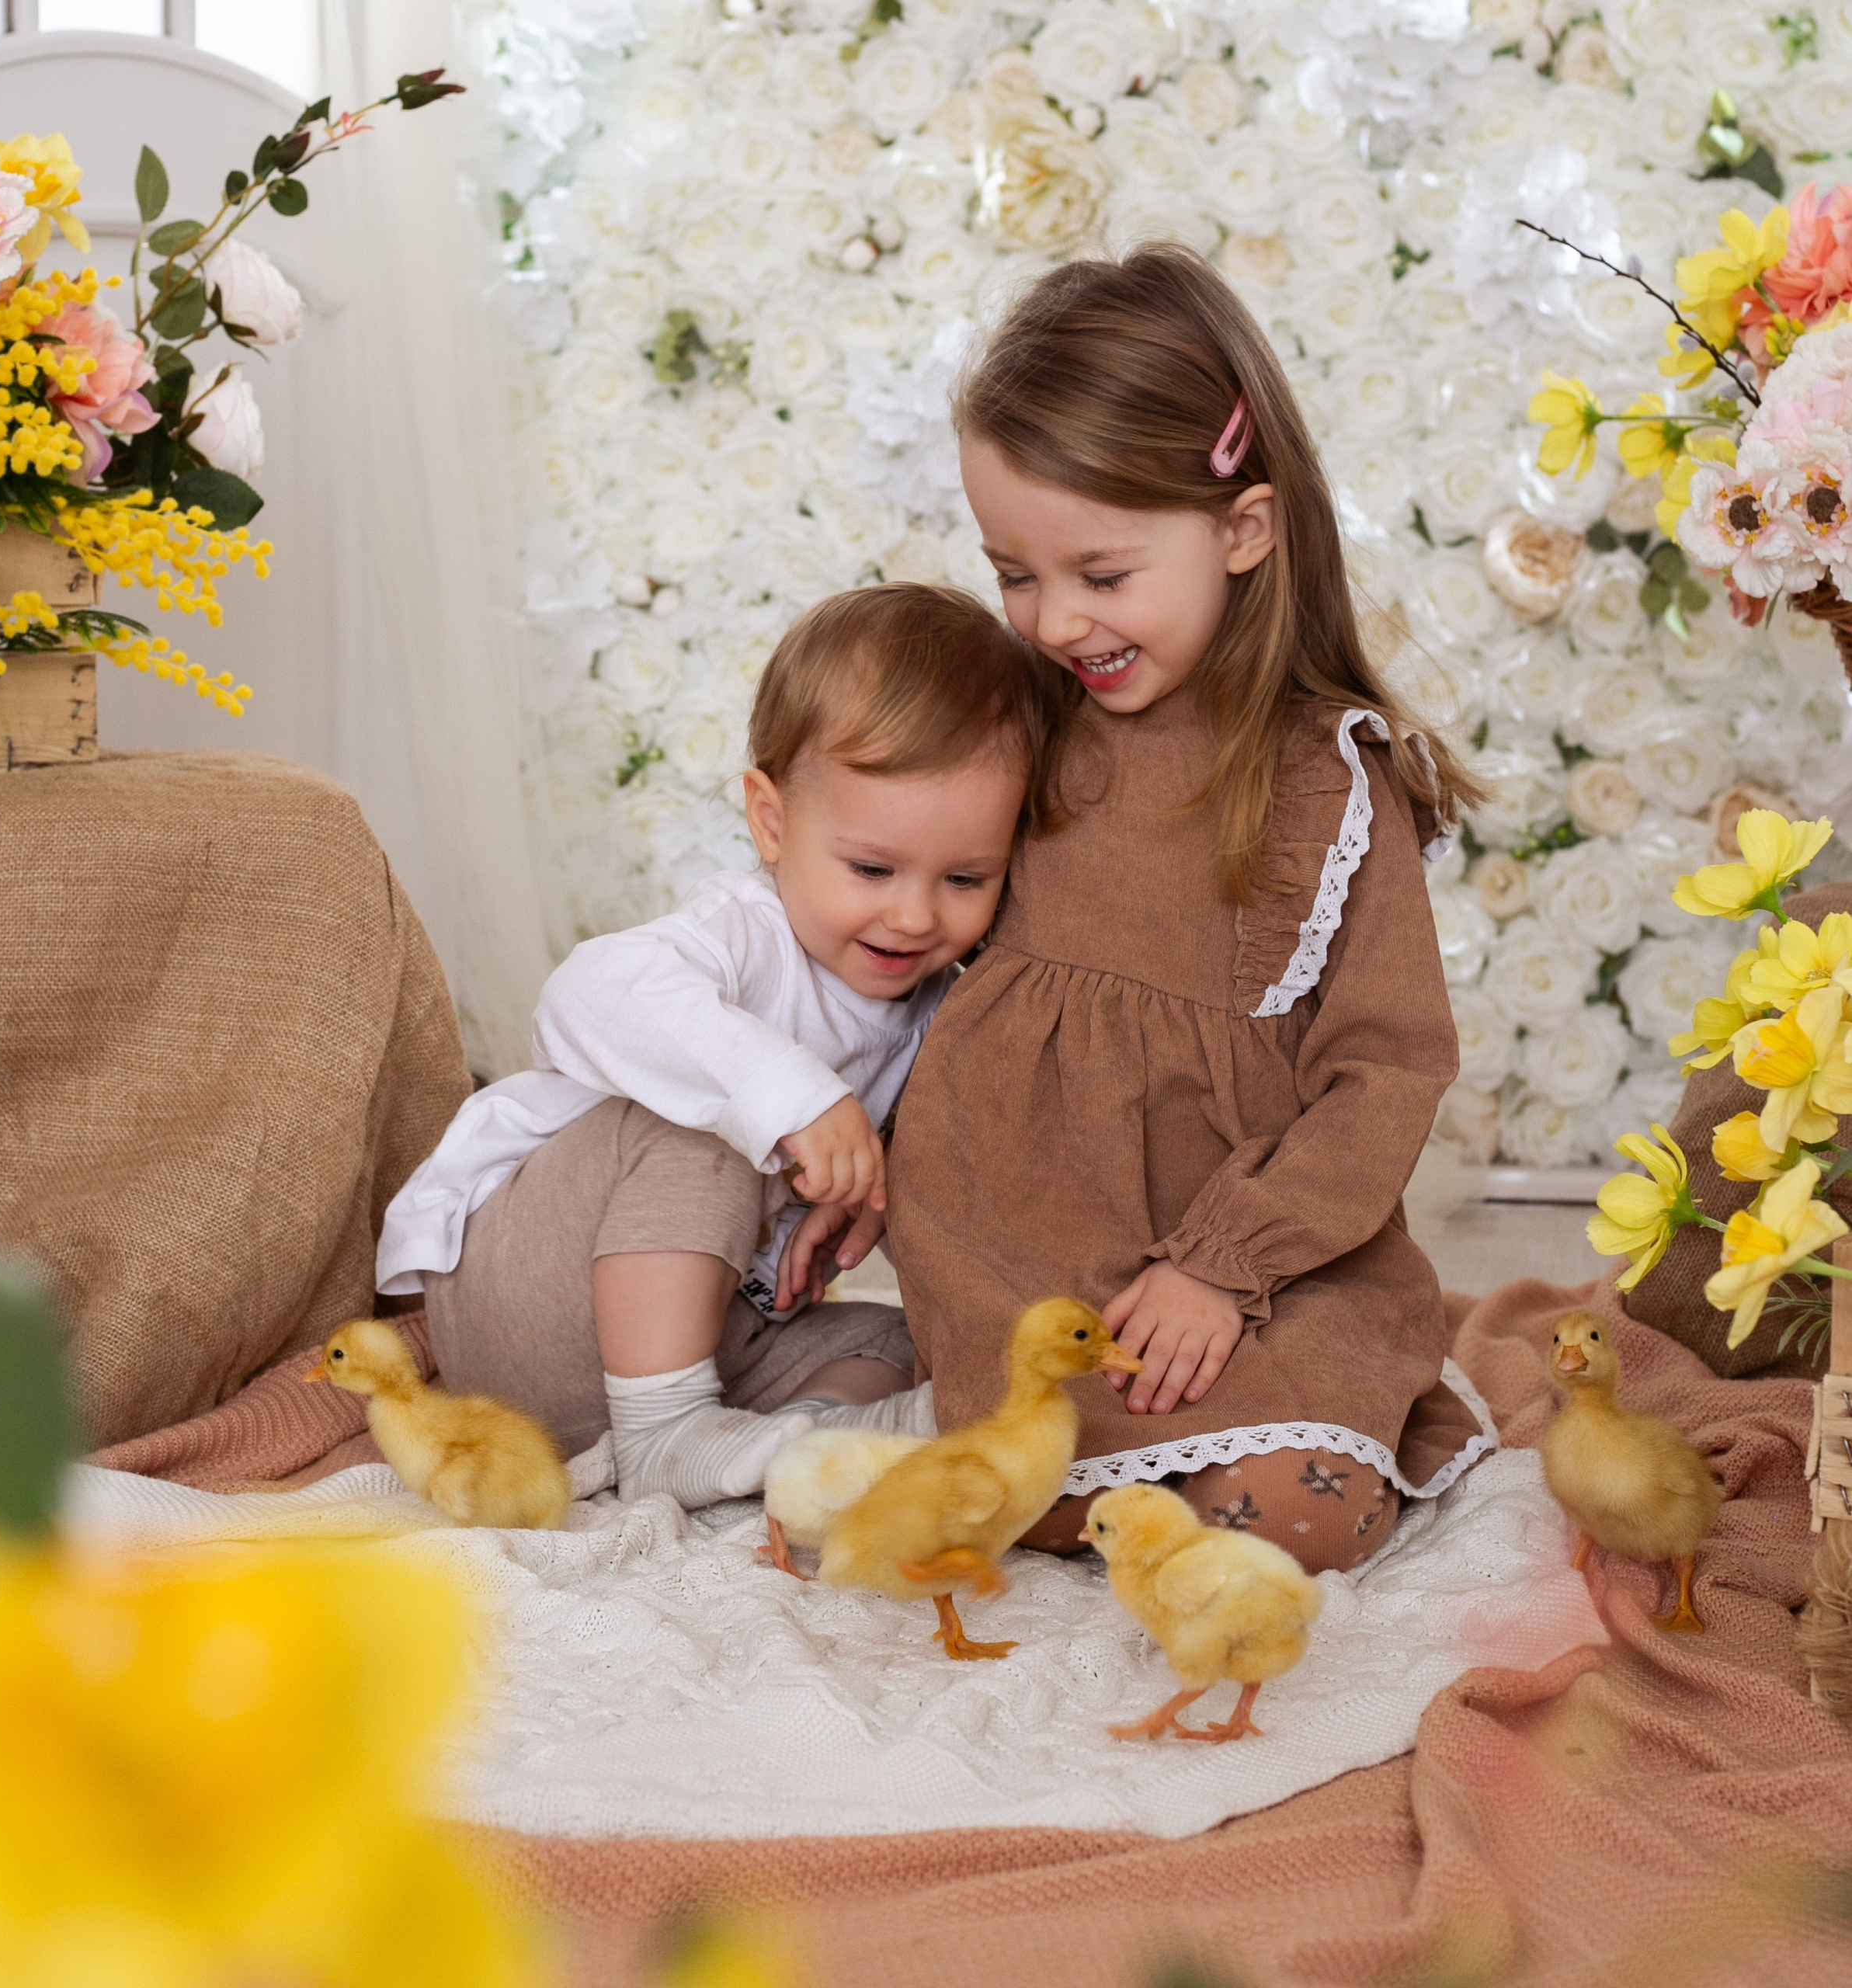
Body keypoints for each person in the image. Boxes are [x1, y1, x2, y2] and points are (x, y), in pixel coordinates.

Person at [886, 245, 1493, 1575]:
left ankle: (1144, 1467)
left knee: (1302, 1513)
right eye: (1013, 574)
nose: (1054, 622)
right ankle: (1021, 1468)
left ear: (1241, 530)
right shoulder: (1012, 722)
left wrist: (1225, 1263)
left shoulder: (1324, 782)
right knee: (1004, 1465)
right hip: (1019, 1250)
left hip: (1261, 1272)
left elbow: (1385, 1071)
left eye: (1100, 576)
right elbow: (896, 924)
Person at [377, 582, 1067, 1508]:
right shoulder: (743, 935)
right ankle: (665, 1433)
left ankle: (806, 1444)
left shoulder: (946, 1008)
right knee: (696, 1124)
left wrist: (885, 1181)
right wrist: (795, 1094)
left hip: (714, 1340)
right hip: (533, 1300)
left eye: (965, 879)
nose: (913, 915)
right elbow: (584, 995)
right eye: (872, 868)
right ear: (773, 822)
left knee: (904, 1344)